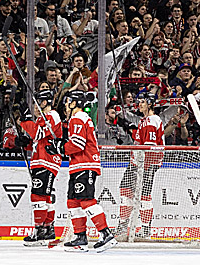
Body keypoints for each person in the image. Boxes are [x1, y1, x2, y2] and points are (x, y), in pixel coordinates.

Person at [63, 90, 116, 251]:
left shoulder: (78, 118)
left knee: (86, 200)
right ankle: (80, 236)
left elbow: (77, 144)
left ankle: (106, 234)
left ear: (74, 103)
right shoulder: (78, 118)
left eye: (68, 102)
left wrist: (60, 147)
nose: (65, 105)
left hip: (85, 164)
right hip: (78, 165)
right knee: (73, 201)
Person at [16, 89, 63, 246]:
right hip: (41, 160)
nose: (34, 107)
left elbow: (39, 134)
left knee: (38, 196)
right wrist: (25, 143)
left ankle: (39, 231)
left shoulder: (52, 115)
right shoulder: (42, 118)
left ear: (44, 102)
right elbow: (38, 141)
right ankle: (48, 229)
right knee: (46, 197)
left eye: (37, 103)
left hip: (47, 161)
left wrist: (25, 120)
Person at [115, 93, 165, 239]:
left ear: (150, 103)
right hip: (136, 162)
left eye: (142, 101)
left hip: (146, 164)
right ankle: (123, 226)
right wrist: (132, 130)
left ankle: (145, 229)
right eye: (139, 101)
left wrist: (143, 167)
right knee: (125, 191)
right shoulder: (145, 120)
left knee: (144, 196)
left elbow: (149, 146)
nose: (140, 104)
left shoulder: (152, 120)